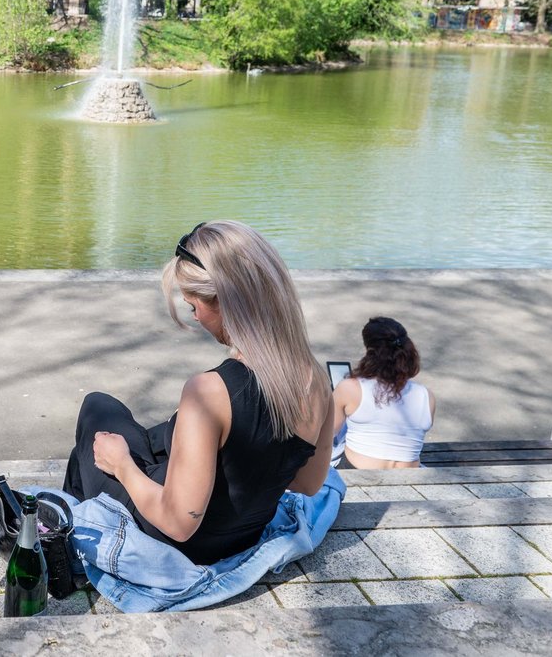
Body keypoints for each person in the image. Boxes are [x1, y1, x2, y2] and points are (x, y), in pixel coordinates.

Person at [63, 220, 333, 566]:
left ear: (224, 301)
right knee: (154, 432)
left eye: (194, 306)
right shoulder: (316, 379)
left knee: (97, 409)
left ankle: (66, 535)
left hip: (172, 538)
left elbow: (178, 524)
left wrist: (122, 465)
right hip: (242, 535)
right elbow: (308, 484)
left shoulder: (210, 391)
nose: (196, 318)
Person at [331, 317, 435, 469]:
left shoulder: (350, 388)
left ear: (369, 351)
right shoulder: (427, 396)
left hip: (358, 472)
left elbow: (327, 435)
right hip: (412, 477)